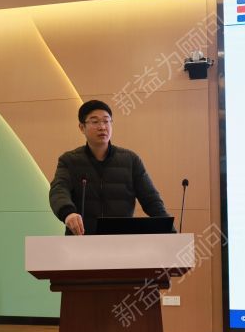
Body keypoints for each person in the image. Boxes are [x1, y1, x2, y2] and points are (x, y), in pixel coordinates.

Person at [49, 100, 172, 235]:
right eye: (95, 122)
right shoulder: (69, 160)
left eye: (106, 121)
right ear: (82, 127)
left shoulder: (130, 160)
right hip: (82, 238)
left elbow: (151, 200)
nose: (102, 127)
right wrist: (68, 213)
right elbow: (58, 191)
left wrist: (170, 231)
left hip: (120, 239)